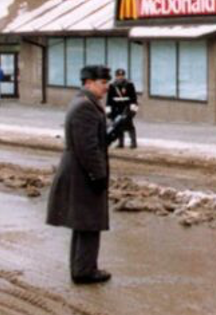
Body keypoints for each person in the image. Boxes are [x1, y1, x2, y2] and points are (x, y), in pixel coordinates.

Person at [46, 65, 114, 285]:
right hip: (82, 173)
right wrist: (98, 175)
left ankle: (82, 267)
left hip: (79, 171)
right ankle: (85, 271)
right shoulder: (85, 107)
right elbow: (88, 148)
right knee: (89, 222)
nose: (107, 86)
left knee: (84, 222)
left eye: (107, 82)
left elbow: (94, 140)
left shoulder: (86, 104)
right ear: (88, 83)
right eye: (103, 82)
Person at [106, 68, 138, 149]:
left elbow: (133, 98)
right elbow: (109, 99)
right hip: (116, 108)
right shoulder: (112, 86)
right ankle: (121, 143)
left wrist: (133, 110)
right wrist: (108, 111)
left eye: (122, 75)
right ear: (116, 76)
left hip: (126, 108)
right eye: (118, 76)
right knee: (118, 125)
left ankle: (133, 143)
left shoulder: (129, 85)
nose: (120, 77)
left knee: (129, 125)